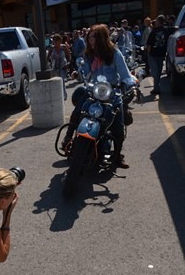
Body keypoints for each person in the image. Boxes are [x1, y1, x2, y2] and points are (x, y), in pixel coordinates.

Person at [62, 24, 136, 169]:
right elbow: (84, 69)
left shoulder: (114, 53)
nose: (90, 39)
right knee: (78, 112)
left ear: (102, 37)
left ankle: (117, 156)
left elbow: (124, 73)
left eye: (94, 36)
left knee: (118, 128)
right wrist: (78, 72)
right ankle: (68, 138)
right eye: (89, 36)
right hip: (94, 91)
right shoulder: (89, 55)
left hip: (112, 93)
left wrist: (130, 83)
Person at [146, 14, 171, 95]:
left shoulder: (154, 31)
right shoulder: (166, 31)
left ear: (159, 22)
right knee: (158, 72)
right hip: (161, 54)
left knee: (155, 72)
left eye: (156, 21)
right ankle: (157, 88)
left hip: (153, 55)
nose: (155, 22)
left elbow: (149, 44)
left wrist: (148, 54)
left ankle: (156, 88)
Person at [48, 33, 71, 101]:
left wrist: (68, 64)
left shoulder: (63, 47)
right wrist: (48, 64)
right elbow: (47, 57)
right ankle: (57, 95)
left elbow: (68, 56)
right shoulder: (52, 48)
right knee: (55, 82)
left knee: (62, 81)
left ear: (60, 41)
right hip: (54, 67)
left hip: (63, 66)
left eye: (57, 42)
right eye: (54, 42)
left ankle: (64, 95)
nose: (56, 44)